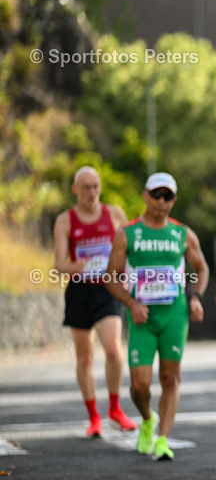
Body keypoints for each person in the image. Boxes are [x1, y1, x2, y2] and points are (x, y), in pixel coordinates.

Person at [105, 172, 209, 461]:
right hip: (142, 318)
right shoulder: (128, 233)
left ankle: (163, 439)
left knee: (171, 379)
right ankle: (147, 419)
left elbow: (202, 269)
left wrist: (196, 297)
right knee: (139, 385)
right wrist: (130, 303)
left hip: (174, 315)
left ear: (174, 200)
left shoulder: (183, 234)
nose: (161, 202)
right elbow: (111, 278)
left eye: (168, 197)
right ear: (145, 196)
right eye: (156, 195)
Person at [53, 166, 136, 438]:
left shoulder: (114, 215)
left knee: (113, 349)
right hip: (79, 291)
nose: (92, 192)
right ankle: (93, 417)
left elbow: (129, 251)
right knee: (85, 356)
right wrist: (73, 267)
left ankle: (115, 407)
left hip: (107, 290)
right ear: (75, 189)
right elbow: (59, 264)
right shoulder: (65, 221)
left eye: (96, 186)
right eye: (86, 187)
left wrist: (127, 277)